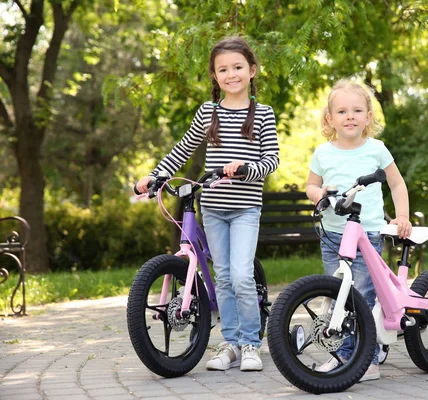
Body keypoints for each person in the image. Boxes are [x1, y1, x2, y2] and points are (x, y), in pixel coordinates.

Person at [135, 36, 279, 372]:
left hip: (245, 208)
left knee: (242, 275)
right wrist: (154, 176)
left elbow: (271, 160)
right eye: (223, 69)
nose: (231, 74)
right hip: (213, 208)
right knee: (224, 277)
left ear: (252, 71)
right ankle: (230, 343)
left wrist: (246, 169)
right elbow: (183, 149)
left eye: (238, 67)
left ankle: (251, 344)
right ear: (215, 76)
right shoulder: (208, 112)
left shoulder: (263, 114)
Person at [305, 79, 412, 381]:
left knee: (361, 298)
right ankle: (345, 355)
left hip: (367, 236)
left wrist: (401, 215)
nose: (349, 116)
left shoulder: (376, 149)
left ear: (368, 117)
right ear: (330, 119)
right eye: (341, 111)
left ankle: (368, 360)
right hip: (332, 236)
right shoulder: (323, 153)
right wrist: (318, 193)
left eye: (356, 110)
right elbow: (311, 185)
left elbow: (396, 183)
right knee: (337, 297)